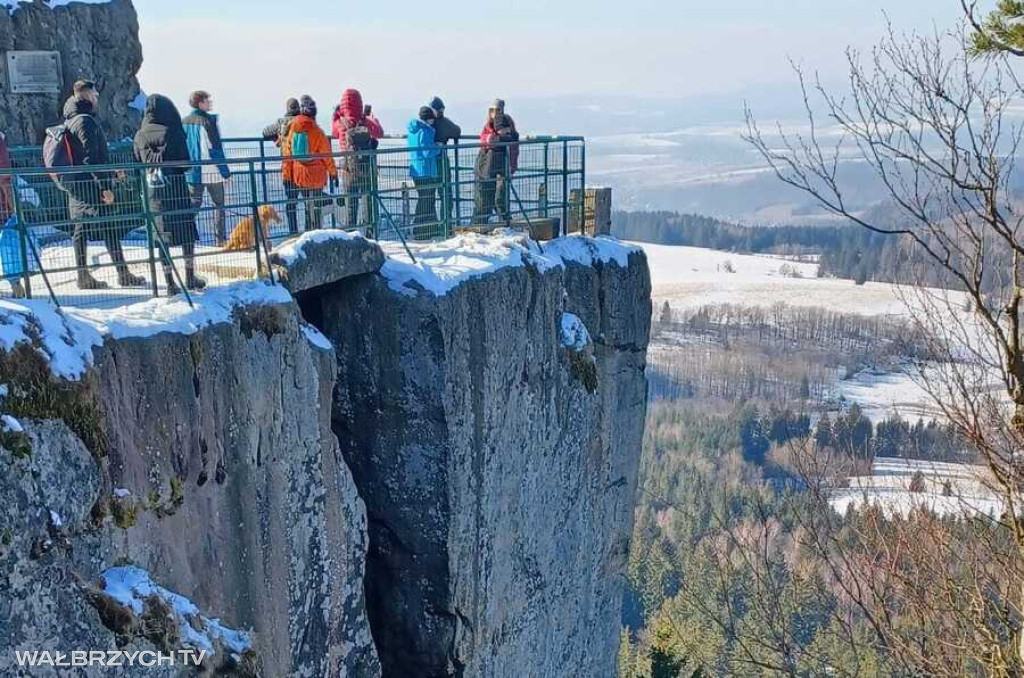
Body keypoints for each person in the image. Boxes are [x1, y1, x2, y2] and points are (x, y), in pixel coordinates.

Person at [59, 79, 145, 289]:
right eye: (96, 96)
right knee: (109, 227)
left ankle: (83, 276)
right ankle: (122, 274)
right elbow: (92, 158)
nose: (97, 99)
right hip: (90, 185)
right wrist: (104, 186)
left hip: (75, 183)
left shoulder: (70, 120)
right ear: (88, 96)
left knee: (80, 229)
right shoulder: (86, 121)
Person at [133, 94, 205, 294]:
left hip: (153, 192)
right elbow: (184, 162)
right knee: (186, 234)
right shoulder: (172, 131)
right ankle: (190, 278)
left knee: (161, 237)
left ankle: (169, 283)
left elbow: (137, 163)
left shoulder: (140, 135)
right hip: (176, 190)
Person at [282, 95, 337, 232]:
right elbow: (327, 156)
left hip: (299, 175)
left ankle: (304, 235)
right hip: (316, 175)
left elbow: (287, 156)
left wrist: (286, 177)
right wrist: (333, 173)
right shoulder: (317, 132)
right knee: (314, 206)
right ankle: (314, 232)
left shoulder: (293, 129)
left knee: (306, 203)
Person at [183, 90, 231, 245]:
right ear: (201, 103)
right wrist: (226, 173)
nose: (210, 102)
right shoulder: (207, 122)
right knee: (219, 205)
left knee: (193, 206)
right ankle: (220, 239)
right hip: (212, 171)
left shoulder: (183, 122)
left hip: (192, 171)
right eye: (208, 100)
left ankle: (187, 237)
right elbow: (215, 150)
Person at [331, 89, 383, 230]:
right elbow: (379, 132)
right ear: (360, 103)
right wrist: (373, 119)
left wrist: (336, 115)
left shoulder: (341, 123)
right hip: (367, 168)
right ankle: (371, 235)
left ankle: (350, 237)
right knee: (369, 205)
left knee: (351, 206)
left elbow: (334, 132)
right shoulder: (365, 121)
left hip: (349, 170)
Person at [473, 100, 519, 224]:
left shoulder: (506, 122)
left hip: (499, 166)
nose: (495, 113)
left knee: (500, 197)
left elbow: (511, 143)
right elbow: (485, 139)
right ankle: (484, 223)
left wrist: (497, 139)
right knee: (486, 197)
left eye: (497, 110)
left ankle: (503, 222)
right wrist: (494, 139)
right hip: (488, 167)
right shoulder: (488, 125)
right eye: (492, 110)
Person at [263, 97, 302, 234]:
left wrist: (278, 136)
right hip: (304, 168)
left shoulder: (281, 122)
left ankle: (293, 232)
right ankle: (312, 231)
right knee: (311, 200)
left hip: (288, 169)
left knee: (291, 202)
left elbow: (265, 132)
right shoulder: (306, 122)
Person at [407, 107, 442, 239]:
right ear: (429, 118)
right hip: (426, 169)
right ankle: (420, 229)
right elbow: (427, 151)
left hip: (416, 169)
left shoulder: (413, 130)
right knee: (426, 199)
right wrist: (438, 148)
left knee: (425, 198)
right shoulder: (425, 131)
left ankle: (428, 229)